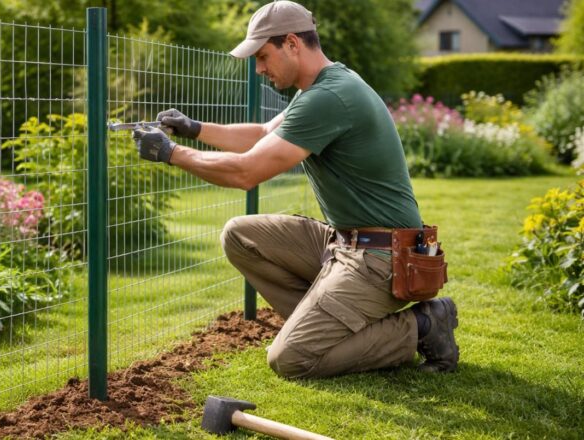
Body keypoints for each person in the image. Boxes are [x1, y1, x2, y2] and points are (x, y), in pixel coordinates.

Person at [132, 0, 459, 378]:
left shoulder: (329, 97)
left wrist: (171, 153)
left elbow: (246, 172)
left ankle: (422, 325)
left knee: (290, 359)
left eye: (263, 56)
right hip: (346, 242)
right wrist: (194, 128)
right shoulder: (320, 88)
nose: (259, 69)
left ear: (291, 43)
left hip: (382, 258)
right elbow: (260, 135)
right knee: (240, 235)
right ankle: (321, 325)